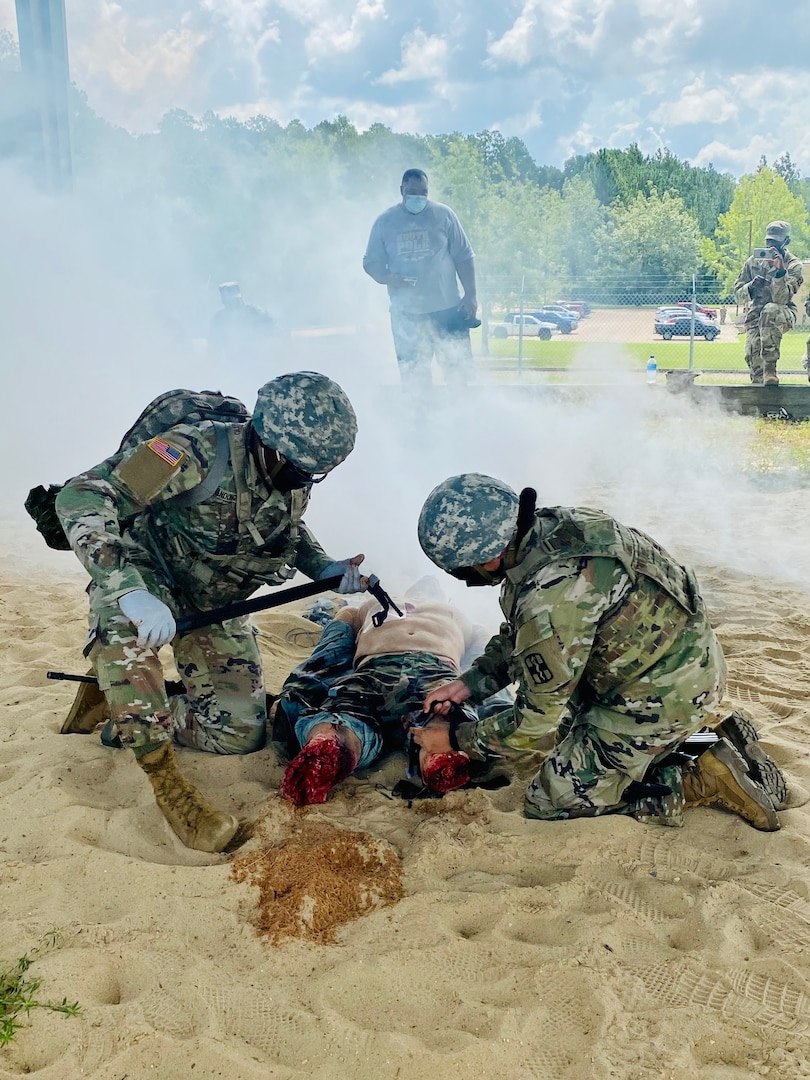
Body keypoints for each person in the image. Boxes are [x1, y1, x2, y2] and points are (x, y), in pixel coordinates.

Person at [56, 371, 368, 853]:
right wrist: (128, 592)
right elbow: (83, 495)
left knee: (240, 733)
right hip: (145, 576)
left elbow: (283, 528)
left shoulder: (290, 468)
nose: (305, 480)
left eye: (314, 474)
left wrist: (322, 566)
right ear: (268, 440)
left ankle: (120, 706)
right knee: (131, 657)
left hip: (212, 598)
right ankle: (167, 784)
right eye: (301, 469)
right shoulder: (189, 451)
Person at [413, 473, 788, 831]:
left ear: (489, 555)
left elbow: (533, 723)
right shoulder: (554, 530)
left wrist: (456, 739)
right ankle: (707, 740)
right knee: (570, 742)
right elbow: (523, 634)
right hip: (674, 669)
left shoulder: (552, 594)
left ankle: (700, 777)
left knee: (554, 797)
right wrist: (468, 685)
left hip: (660, 698)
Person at [275, 576, 502, 806]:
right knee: (441, 718)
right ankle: (437, 755)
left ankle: (332, 739)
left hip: (380, 667)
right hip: (429, 670)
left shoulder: (372, 605)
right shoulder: (453, 614)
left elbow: (338, 635)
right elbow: (483, 658)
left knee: (346, 713)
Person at [362, 168, 479, 394]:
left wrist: (471, 294)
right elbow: (370, 263)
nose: (418, 197)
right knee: (414, 376)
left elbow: (464, 256)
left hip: (448, 308)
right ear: (401, 191)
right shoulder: (385, 222)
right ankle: (420, 422)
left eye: (423, 192)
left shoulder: (444, 215)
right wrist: (388, 278)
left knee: (457, 373)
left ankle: (463, 420)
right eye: (412, 192)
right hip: (407, 315)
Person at [733, 221, 803, 386]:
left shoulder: (793, 265)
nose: (771, 246)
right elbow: (737, 295)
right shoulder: (754, 262)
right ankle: (763, 405)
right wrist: (751, 287)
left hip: (782, 313)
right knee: (755, 361)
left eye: (775, 242)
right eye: (769, 242)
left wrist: (779, 272)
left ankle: (771, 368)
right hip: (756, 317)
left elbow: (781, 299)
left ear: (785, 242)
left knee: (770, 309)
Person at [209, 282, 276, 365]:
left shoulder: (253, 311)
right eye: (229, 301)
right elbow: (213, 342)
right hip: (231, 361)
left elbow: (272, 327)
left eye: (234, 300)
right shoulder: (219, 317)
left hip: (255, 358)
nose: (232, 304)